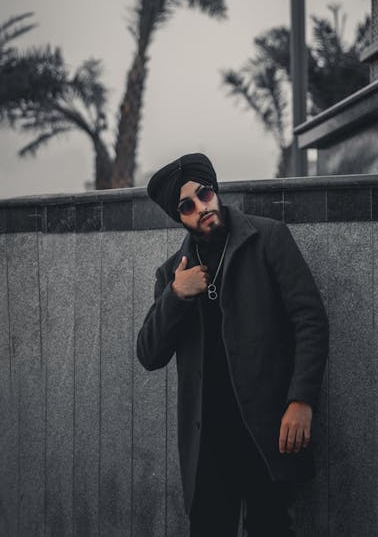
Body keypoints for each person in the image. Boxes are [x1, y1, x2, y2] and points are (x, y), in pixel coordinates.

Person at [136, 153, 329, 537]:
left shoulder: (268, 238)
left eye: (204, 194)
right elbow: (149, 354)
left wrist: (301, 400)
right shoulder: (172, 273)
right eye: (186, 205)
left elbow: (310, 321)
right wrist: (177, 294)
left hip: (267, 433)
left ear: (215, 191)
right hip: (208, 447)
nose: (201, 207)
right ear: (180, 217)